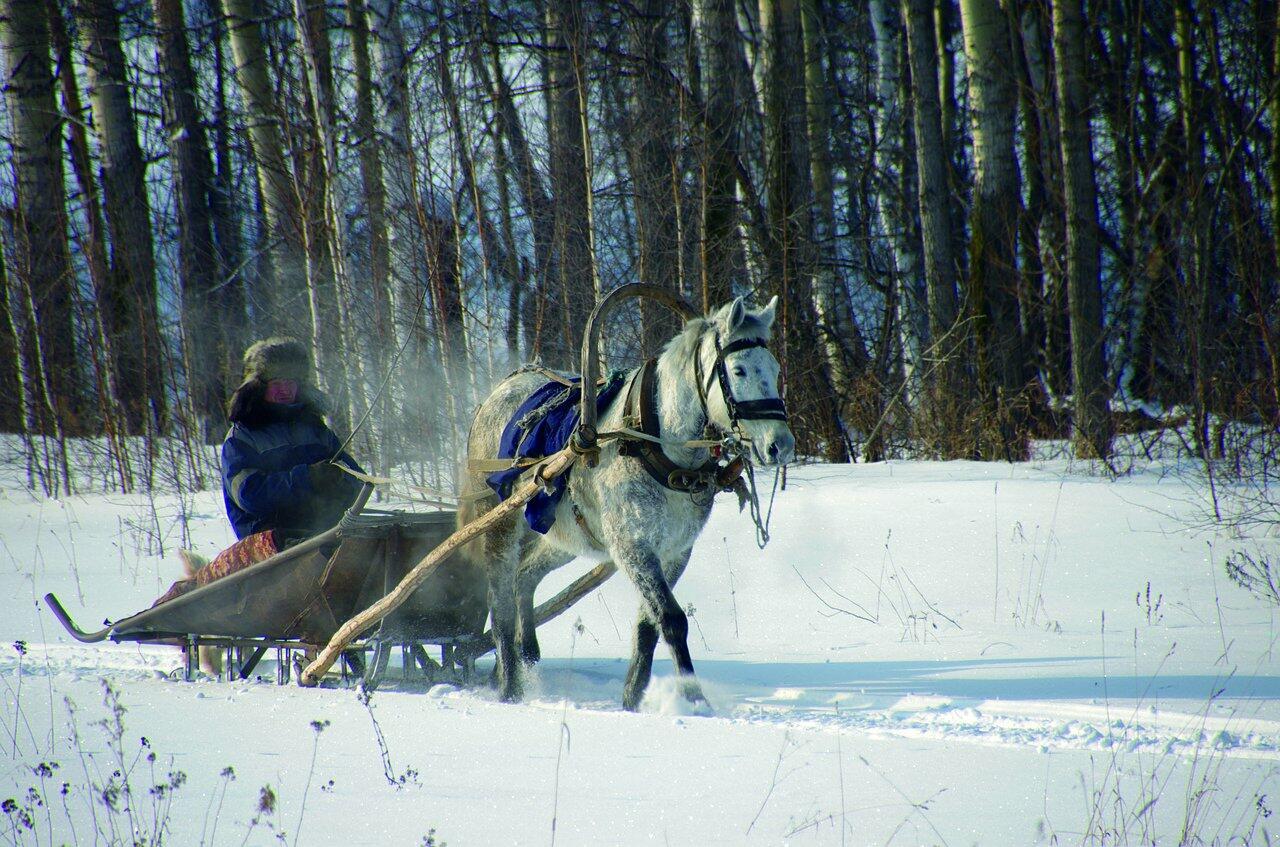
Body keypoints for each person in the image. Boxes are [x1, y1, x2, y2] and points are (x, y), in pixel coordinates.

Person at [154, 337, 364, 607]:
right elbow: (249, 495)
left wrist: (339, 480)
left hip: (321, 531)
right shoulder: (242, 438)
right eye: (278, 384)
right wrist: (306, 478)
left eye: (291, 383)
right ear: (257, 387)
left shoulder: (316, 430)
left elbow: (358, 480)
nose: (286, 390)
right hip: (269, 539)